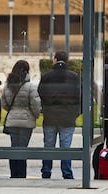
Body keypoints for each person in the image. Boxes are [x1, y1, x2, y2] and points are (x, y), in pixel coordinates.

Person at [38, 51, 81, 179]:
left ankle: (46, 172)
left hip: (50, 116)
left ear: (55, 59)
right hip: (68, 117)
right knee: (65, 147)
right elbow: (80, 96)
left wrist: (45, 108)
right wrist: (75, 113)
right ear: (66, 61)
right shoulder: (74, 76)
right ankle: (67, 173)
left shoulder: (47, 76)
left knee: (48, 147)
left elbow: (40, 93)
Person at [1, 60, 41, 178]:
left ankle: (14, 174)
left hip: (12, 120)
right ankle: (21, 174)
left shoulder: (8, 85)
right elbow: (35, 104)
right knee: (23, 149)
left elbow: (4, 102)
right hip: (26, 122)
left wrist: (12, 110)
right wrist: (35, 115)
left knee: (14, 147)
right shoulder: (30, 86)